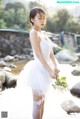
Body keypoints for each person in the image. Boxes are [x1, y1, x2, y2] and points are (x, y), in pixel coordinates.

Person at [18, 7, 60, 119]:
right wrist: (49, 70)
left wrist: (55, 66)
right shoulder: (33, 33)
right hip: (39, 69)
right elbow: (38, 54)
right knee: (37, 103)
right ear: (32, 19)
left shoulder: (44, 34)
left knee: (42, 101)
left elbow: (50, 52)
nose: (42, 21)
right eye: (39, 18)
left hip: (46, 69)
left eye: (44, 18)